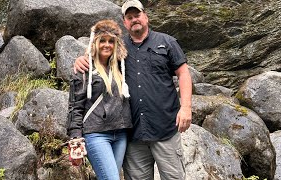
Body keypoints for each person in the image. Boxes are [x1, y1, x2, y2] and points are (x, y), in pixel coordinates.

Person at [74, 0, 192, 179]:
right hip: (133, 134)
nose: (134, 19)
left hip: (165, 129)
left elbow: (183, 74)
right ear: (124, 22)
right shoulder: (118, 47)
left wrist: (186, 108)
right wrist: (82, 60)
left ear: (146, 16)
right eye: (129, 17)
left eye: (137, 15)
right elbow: (99, 56)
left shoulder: (166, 42)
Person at [67, 19, 132, 180]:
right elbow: (75, 107)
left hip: (121, 133)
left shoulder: (121, 66)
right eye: (102, 40)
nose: (107, 45)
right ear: (94, 42)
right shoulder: (84, 69)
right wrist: (75, 137)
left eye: (111, 41)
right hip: (96, 134)